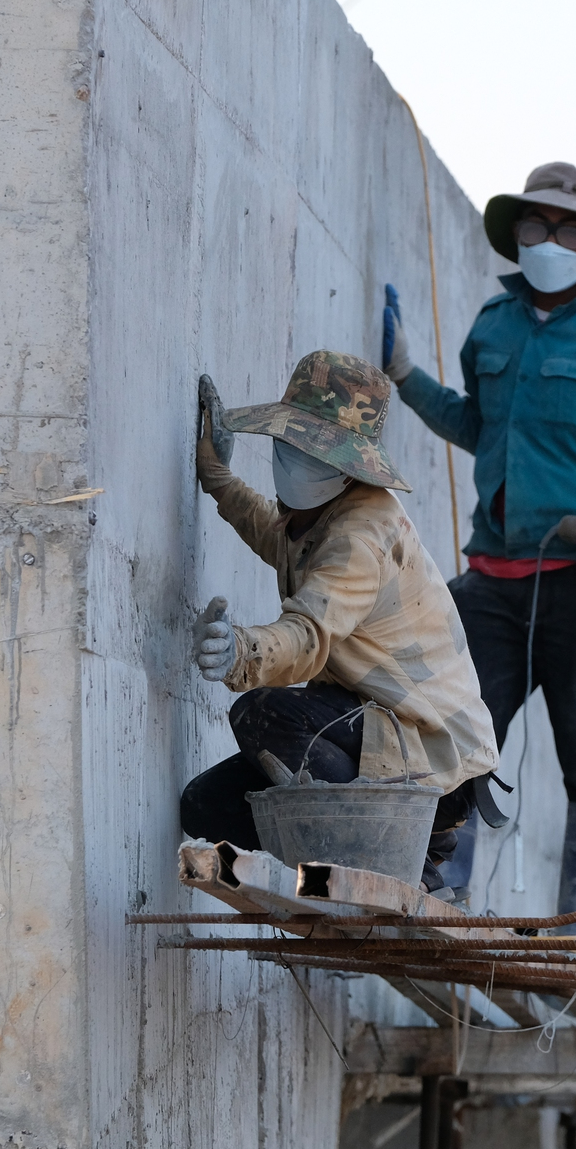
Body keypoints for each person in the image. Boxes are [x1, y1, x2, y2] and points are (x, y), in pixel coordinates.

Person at [381, 162, 576, 936]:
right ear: (516, 233)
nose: (550, 241)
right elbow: (481, 427)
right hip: (498, 574)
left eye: (569, 230)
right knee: (453, 722)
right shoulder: (494, 326)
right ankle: (442, 897)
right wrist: (405, 377)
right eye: (537, 225)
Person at [179, 350, 503, 892]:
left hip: (429, 767)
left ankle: (408, 867)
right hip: (376, 737)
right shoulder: (324, 516)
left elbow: (307, 636)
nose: (298, 459)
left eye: (316, 452)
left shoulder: (360, 533)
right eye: (293, 445)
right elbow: (284, 543)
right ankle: (340, 866)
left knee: (263, 714)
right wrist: (218, 479)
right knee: (206, 806)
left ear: (348, 467)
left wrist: (243, 651)